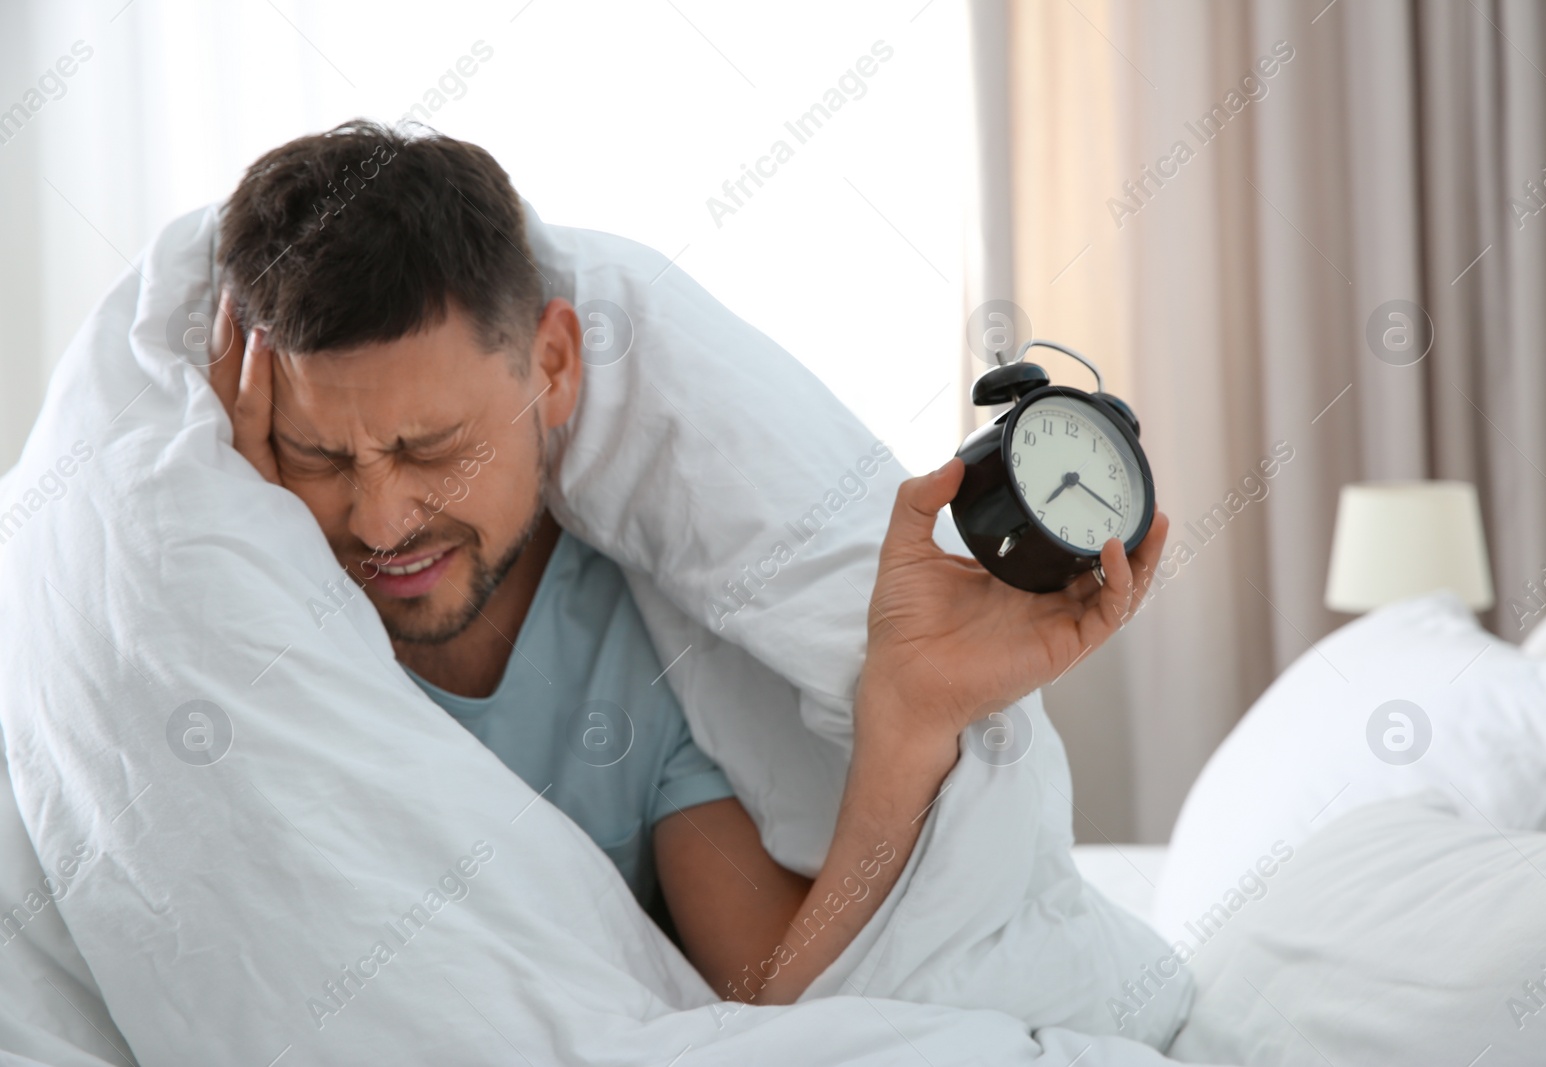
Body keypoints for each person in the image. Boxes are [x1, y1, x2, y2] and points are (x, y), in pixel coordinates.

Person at [206, 120, 1169, 1006]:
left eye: (433, 451)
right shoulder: (231, 604)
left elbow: (775, 1007)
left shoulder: (633, 657)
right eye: (322, 457)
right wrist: (249, 560)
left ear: (553, 366)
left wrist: (909, 714)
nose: (380, 522)